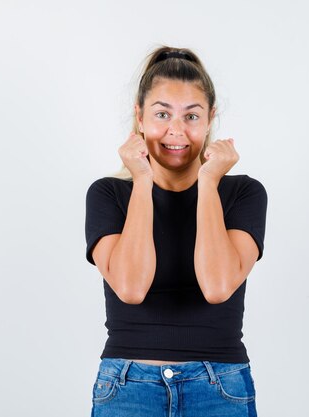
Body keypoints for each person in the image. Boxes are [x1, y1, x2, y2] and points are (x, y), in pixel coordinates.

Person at [85, 46, 268, 417]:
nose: (177, 131)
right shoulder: (108, 194)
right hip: (127, 387)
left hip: (219, 386)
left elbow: (217, 287)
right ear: (139, 117)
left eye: (192, 116)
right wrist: (141, 180)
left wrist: (209, 180)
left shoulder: (243, 193)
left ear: (210, 118)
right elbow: (131, 288)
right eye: (162, 114)